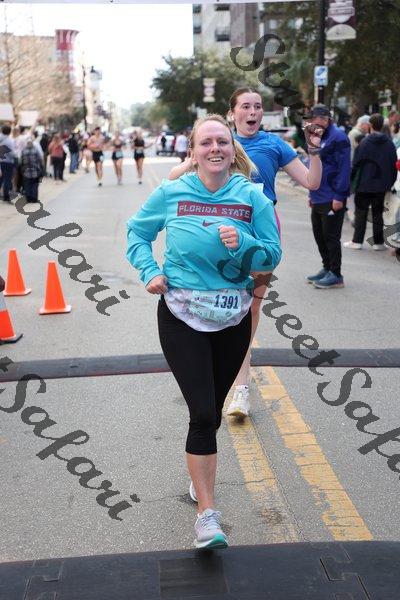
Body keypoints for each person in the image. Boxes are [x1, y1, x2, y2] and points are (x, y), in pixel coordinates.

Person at [126, 114, 281, 549]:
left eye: (223, 142)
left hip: (233, 316)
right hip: (182, 315)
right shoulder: (171, 192)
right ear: (192, 152)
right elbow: (137, 233)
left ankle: (200, 479)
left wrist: (245, 244)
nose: (215, 148)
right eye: (206, 142)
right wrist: (149, 271)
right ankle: (207, 517)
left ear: (233, 151)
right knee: (203, 414)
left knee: (211, 412)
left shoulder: (252, 197)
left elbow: (272, 255)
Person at [169, 87, 322, 418]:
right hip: (221, 234)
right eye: (246, 106)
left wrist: (314, 150)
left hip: (261, 234)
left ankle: (240, 388)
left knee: (250, 309)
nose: (253, 112)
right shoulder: (219, 143)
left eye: (258, 106)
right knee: (221, 301)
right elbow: (173, 177)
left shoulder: (273, 145)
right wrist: (194, 159)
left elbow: (311, 181)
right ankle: (215, 369)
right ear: (232, 113)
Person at [306, 104, 350, 289]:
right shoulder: (317, 136)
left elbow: (344, 168)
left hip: (332, 196)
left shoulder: (338, 137)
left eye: (315, 120)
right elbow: (312, 165)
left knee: (331, 237)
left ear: (325, 119)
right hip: (318, 195)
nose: (312, 123)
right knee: (319, 235)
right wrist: (311, 192)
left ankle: (336, 274)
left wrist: (340, 196)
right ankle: (327, 268)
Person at [343, 113, 397, 251]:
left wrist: (351, 181)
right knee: (378, 213)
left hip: (364, 184)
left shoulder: (365, 143)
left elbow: (356, 163)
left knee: (361, 212)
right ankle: (378, 242)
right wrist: (389, 183)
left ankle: (357, 241)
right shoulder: (389, 143)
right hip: (381, 185)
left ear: (370, 125)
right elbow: (393, 165)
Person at [20, 138, 43, 203]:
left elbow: (21, 161)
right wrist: (41, 167)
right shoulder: (36, 150)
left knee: (27, 185)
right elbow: (40, 159)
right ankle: (34, 198)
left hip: (26, 171)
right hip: (35, 171)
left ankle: (28, 198)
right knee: (34, 185)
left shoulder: (23, 151)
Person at [0, 125, 16, 202]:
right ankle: (6, 196)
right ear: (10, 132)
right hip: (8, 162)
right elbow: (12, 154)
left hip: (1, 161)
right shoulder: (9, 141)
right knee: (7, 179)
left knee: (1, 179)